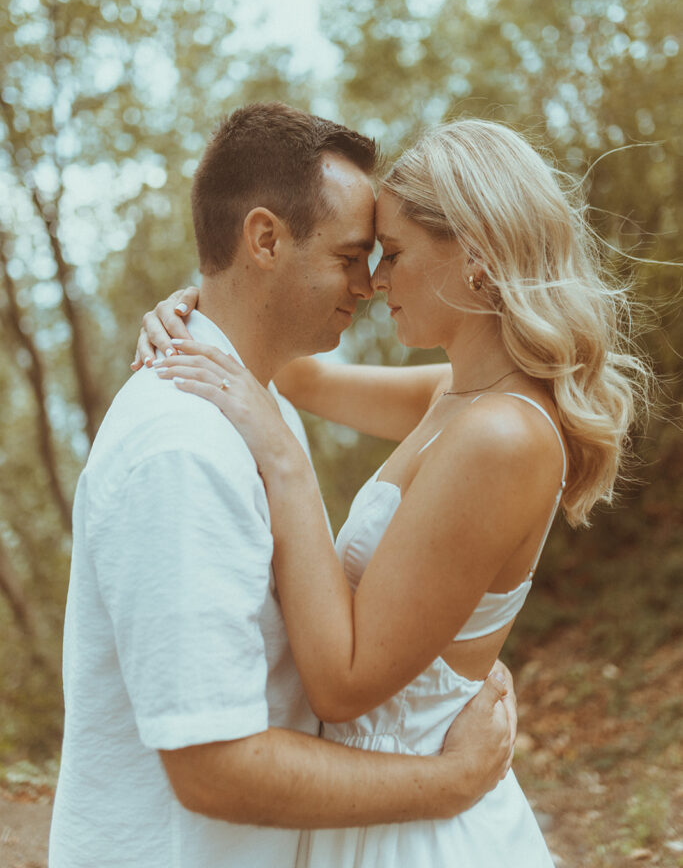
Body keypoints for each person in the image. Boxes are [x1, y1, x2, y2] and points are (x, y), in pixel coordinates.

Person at [142, 117, 648, 866]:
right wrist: (192, 307)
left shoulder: (501, 437)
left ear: (474, 257)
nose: (374, 282)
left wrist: (284, 460)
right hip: (376, 799)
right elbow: (293, 369)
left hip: (419, 833)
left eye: (395, 254)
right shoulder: (454, 395)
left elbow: (343, 685)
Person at [49, 104, 516, 868]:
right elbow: (212, 766)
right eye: (351, 255)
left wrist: (454, 668)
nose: (368, 285)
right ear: (265, 239)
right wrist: (447, 781)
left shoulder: (256, 401)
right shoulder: (182, 449)